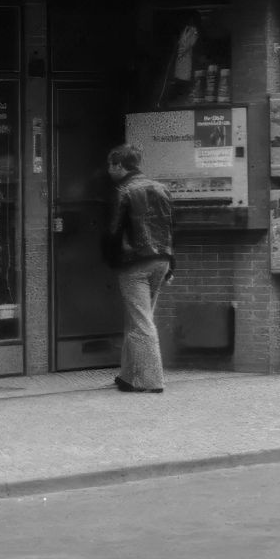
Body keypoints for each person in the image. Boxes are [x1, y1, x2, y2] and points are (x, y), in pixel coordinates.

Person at [104, 142, 173, 393]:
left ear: (119, 165)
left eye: (110, 165)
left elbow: (113, 232)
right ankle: (128, 376)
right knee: (138, 318)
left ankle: (151, 381)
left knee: (141, 322)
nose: (108, 170)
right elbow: (170, 228)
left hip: (135, 263)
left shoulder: (123, 191)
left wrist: (111, 260)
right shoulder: (161, 188)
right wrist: (171, 264)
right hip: (161, 260)